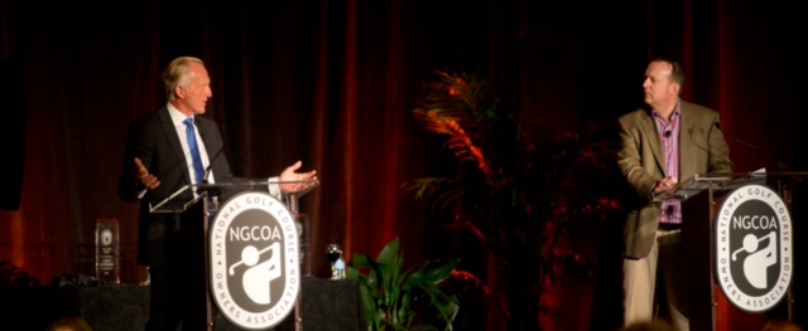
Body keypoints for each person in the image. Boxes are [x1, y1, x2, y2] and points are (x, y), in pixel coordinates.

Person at [118, 56, 317, 331]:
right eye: (204, 86)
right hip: (169, 245)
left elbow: (224, 183)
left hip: (210, 242)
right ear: (180, 90)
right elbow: (127, 187)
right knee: (164, 322)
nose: (210, 93)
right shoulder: (150, 128)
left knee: (201, 323)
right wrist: (141, 182)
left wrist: (276, 185)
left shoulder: (209, 130)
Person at [617, 57, 733, 330]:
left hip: (688, 232)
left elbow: (723, 170)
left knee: (686, 320)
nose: (644, 84)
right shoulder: (630, 123)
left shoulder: (706, 120)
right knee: (635, 320)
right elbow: (628, 167)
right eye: (645, 78)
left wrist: (692, 187)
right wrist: (653, 185)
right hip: (644, 229)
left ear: (673, 88)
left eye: (653, 80)